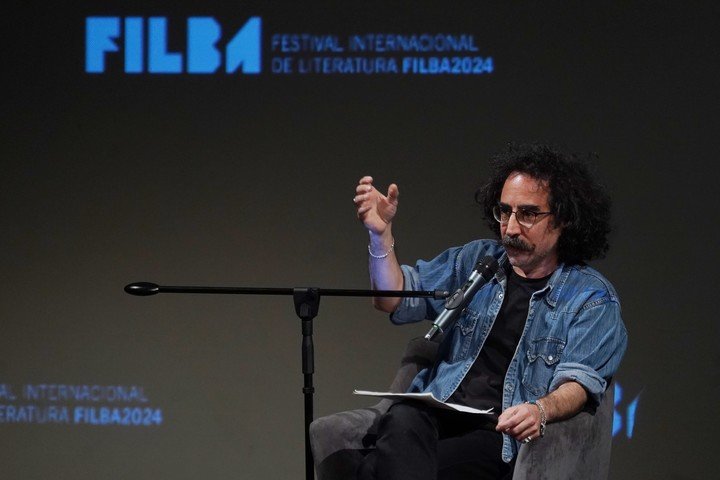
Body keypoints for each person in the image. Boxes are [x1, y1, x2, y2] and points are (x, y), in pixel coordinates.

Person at [351, 143, 628, 480]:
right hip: (437, 413)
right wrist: (380, 236)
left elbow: (578, 384)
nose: (511, 228)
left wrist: (540, 409)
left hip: (496, 433)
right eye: (504, 212)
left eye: (528, 214)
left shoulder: (590, 297)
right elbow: (392, 299)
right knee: (403, 416)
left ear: (565, 219)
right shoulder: (476, 261)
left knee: (376, 469)